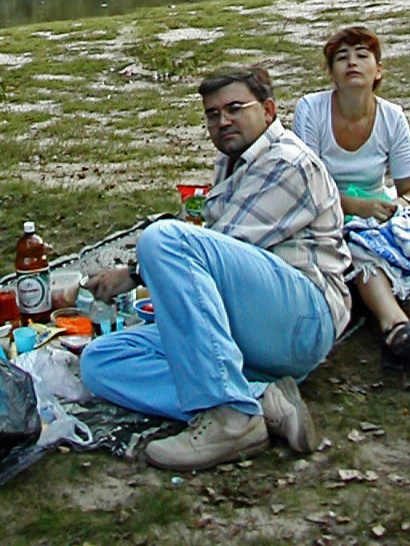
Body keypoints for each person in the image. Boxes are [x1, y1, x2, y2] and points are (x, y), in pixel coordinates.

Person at [79, 65, 352, 473]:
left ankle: (230, 418)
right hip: (249, 326)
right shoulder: (233, 162)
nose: (222, 121)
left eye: (235, 108)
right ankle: (259, 398)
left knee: (162, 238)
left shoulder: (288, 162)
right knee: (100, 360)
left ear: (269, 110)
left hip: (301, 320)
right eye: (212, 114)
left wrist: (134, 274)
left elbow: (224, 246)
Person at [292, 26, 410, 370]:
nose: (352, 63)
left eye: (362, 55)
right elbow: (305, 187)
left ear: (378, 70)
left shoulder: (392, 116)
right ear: (331, 73)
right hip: (327, 211)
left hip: (380, 205)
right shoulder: (311, 110)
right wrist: (356, 207)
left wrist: (401, 208)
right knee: (363, 243)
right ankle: (395, 326)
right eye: (341, 57)